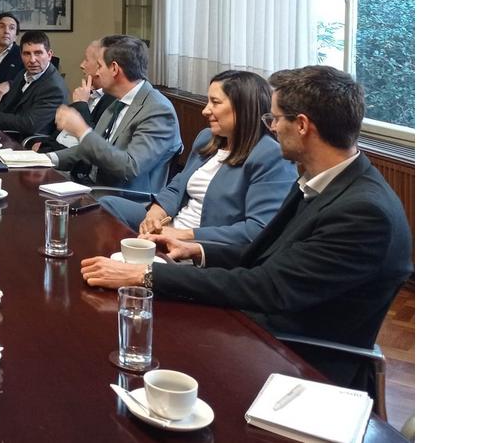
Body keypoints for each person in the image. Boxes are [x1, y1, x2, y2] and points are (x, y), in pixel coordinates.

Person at [80, 65, 412, 394]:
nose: (271, 128)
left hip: (298, 361)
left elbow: (268, 287)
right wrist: (201, 251)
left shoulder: (363, 212)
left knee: (139, 339)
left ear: (301, 125)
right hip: (259, 325)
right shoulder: (322, 180)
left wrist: (147, 275)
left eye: (275, 119)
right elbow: (273, 255)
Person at [100, 70, 296, 245]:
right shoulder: (206, 138)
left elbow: (257, 230)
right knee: (106, 206)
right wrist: (156, 212)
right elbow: (177, 186)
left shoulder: (271, 155)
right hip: (172, 224)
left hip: (204, 243)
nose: (205, 110)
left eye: (215, 103)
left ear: (243, 107)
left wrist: (183, 235)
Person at [48, 35, 181, 193]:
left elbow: (131, 167)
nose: (96, 73)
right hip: (92, 186)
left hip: (122, 198)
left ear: (114, 69)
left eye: (99, 66)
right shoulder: (117, 102)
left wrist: (81, 131)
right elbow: (91, 150)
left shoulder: (158, 110)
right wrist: (47, 159)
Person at [0, 30, 67, 138]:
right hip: (10, 132)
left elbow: (29, 124)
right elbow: (6, 106)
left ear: (49, 55)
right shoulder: (23, 73)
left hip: (30, 141)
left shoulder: (53, 87)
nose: (32, 60)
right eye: (27, 54)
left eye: (38, 53)